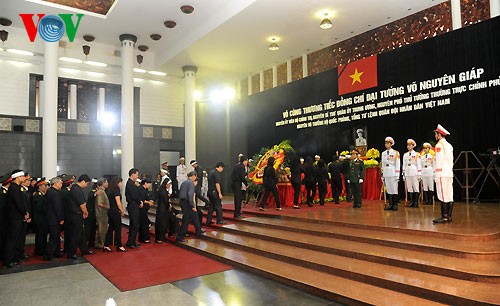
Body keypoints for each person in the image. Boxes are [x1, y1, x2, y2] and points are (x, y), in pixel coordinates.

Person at [3, 170, 30, 268]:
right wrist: (25, 213)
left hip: (17, 217)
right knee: (12, 240)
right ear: (18, 177)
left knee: (16, 239)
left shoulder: (16, 187)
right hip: (15, 218)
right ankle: (8, 261)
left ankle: (14, 258)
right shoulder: (14, 188)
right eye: (23, 176)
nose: (25, 178)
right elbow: (19, 203)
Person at [67, 174, 93, 259]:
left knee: (81, 234)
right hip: (76, 215)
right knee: (76, 235)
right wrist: (86, 213)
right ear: (82, 181)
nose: (86, 185)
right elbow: (82, 204)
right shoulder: (76, 189)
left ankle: (84, 249)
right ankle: (72, 253)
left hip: (77, 214)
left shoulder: (77, 188)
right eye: (86, 183)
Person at [432, 124, 454, 224]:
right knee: (449, 194)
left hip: (442, 173)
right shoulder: (449, 145)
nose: (435, 136)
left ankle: (444, 216)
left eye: (436, 134)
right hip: (449, 172)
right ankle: (449, 216)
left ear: (440, 135)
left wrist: (437, 174)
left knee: (443, 194)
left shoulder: (439, 145)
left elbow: (439, 161)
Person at [176, 171, 205, 242]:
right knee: (186, 219)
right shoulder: (191, 183)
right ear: (194, 176)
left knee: (195, 215)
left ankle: (198, 230)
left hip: (182, 201)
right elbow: (190, 195)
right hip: (187, 202)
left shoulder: (184, 182)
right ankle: (180, 236)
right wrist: (192, 205)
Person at [44, 177, 65, 261]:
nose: (61, 184)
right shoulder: (55, 193)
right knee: (54, 237)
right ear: (55, 183)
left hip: (51, 218)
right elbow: (57, 207)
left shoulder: (50, 191)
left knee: (55, 237)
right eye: (60, 183)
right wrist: (61, 218)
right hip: (54, 219)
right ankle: (48, 254)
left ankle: (56, 252)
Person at [104, 177, 127, 252]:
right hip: (115, 211)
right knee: (118, 228)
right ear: (118, 183)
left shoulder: (110, 190)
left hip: (110, 211)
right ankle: (119, 245)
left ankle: (106, 244)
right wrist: (122, 210)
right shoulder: (116, 191)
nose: (121, 184)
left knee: (111, 228)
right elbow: (118, 203)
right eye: (121, 182)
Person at [382, 137, 401, 211]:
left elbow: (397, 164)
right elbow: (383, 164)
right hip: (386, 172)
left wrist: (397, 175)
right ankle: (390, 204)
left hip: (393, 172)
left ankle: (395, 204)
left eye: (387, 143)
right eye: (385, 143)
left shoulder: (395, 153)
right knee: (389, 189)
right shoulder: (383, 153)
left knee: (394, 189)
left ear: (391, 144)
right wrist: (383, 174)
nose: (386, 145)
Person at [125, 168, 142, 249]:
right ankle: (131, 242)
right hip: (133, 205)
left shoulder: (130, 183)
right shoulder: (131, 184)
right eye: (137, 174)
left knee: (133, 224)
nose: (137, 176)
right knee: (135, 224)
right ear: (133, 174)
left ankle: (131, 241)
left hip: (133, 205)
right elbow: (134, 196)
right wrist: (140, 202)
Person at [403, 139, 422, 208]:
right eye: (407, 145)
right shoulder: (405, 155)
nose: (408, 146)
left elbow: (419, 164)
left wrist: (419, 173)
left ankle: (416, 202)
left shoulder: (417, 154)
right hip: (408, 172)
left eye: (410, 145)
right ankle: (411, 202)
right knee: (409, 187)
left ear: (413, 146)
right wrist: (403, 173)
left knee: (416, 187)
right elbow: (404, 165)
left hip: (414, 172)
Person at [32, 178, 49, 256]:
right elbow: (40, 208)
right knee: (41, 236)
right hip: (40, 219)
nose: (46, 187)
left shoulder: (42, 195)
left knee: (42, 235)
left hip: (43, 219)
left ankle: (41, 249)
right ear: (40, 186)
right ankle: (40, 251)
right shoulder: (38, 195)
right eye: (45, 185)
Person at [95, 178, 109, 249]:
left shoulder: (102, 191)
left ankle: (99, 242)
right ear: (103, 183)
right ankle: (100, 244)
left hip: (102, 213)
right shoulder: (101, 192)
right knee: (102, 230)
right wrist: (107, 207)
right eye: (106, 182)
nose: (107, 183)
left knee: (102, 229)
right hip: (101, 214)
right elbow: (99, 203)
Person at [0, 173, 12, 260]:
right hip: (3, 220)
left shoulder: (6, 192)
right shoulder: (2, 193)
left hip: (6, 219)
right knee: (3, 237)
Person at [138, 178, 154, 243]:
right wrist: (148, 202)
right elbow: (141, 199)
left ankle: (142, 238)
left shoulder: (145, 189)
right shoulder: (140, 189)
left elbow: (147, 197)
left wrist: (150, 200)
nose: (149, 185)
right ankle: (145, 238)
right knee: (144, 224)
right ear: (145, 183)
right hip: (141, 209)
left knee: (144, 223)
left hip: (145, 208)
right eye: (149, 184)